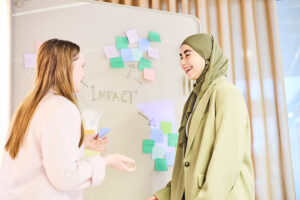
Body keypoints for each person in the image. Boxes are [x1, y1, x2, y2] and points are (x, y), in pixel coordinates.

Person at [0, 39, 136, 200]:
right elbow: (65, 177)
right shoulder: (62, 108)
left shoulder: (27, 106)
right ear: (66, 67)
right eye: (82, 66)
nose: (84, 74)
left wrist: (79, 142)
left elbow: (39, 151)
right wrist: (107, 161)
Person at [148, 34, 255, 200]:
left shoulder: (226, 92)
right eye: (180, 57)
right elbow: (187, 162)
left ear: (206, 55)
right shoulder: (194, 99)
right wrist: (163, 195)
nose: (182, 62)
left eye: (188, 54)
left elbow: (226, 159)